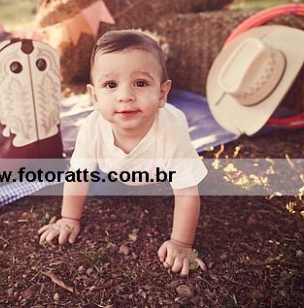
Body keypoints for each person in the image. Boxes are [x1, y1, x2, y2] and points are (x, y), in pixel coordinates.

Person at [37, 29, 207, 276]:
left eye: (140, 83)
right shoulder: (93, 128)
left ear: (162, 93)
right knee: (101, 188)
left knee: (182, 177)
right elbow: (78, 175)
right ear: (95, 97)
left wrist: (181, 244)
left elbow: (187, 194)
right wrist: (69, 218)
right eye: (111, 85)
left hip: (157, 170)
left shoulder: (171, 133)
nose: (125, 96)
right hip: (113, 169)